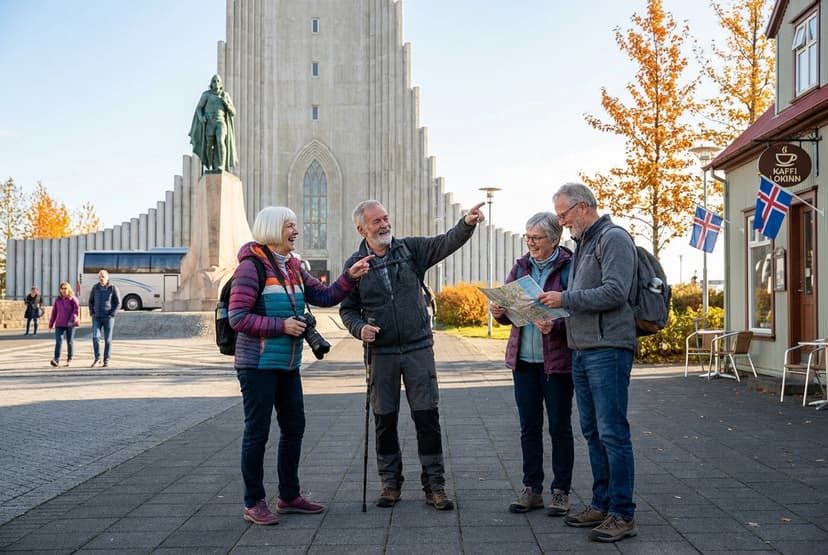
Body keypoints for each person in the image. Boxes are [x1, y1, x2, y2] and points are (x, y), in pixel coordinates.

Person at [229, 206, 373, 526]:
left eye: (295, 226)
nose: (296, 231)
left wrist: (349, 276)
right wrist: (281, 326)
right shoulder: (251, 268)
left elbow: (324, 295)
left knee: (294, 427)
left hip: (288, 363)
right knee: (257, 433)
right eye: (289, 226)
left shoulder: (293, 266)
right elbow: (237, 318)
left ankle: (289, 496)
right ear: (272, 229)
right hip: (258, 365)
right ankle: (254, 502)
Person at [339, 199, 485, 511]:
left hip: (418, 348)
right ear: (361, 228)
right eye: (376, 221)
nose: (384, 225)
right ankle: (390, 484)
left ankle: (435, 485)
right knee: (385, 420)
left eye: (385, 218)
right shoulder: (355, 265)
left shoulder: (409, 250)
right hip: (382, 353)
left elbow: (445, 242)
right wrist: (359, 328)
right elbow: (347, 308)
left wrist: (467, 223)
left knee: (426, 417)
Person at [537, 183, 638, 543]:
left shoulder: (613, 239)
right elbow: (582, 301)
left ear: (582, 207)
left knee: (613, 432)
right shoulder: (582, 244)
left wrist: (564, 297)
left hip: (608, 348)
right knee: (593, 432)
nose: (561, 222)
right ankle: (601, 503)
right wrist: (556, 318)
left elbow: (615, 291)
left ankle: (623, 513)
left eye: (563, 214)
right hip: (582, 348)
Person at [489, 212, 574, 517]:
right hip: (524, 361)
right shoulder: (520, 266)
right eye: (528, 237)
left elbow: (579, 311)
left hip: (557, 364)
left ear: (555, 238)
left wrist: (557, 327)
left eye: (537, 238)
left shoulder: (569, 268)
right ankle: (532, 488)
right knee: (529, 428)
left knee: (560, 428)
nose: (531, 243)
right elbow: (508, 312)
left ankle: (561, 491)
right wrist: (498, 310)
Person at [189, 74, 237, 172]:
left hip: (220, 121)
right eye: (214, 81)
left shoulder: (225, 95)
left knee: (220, 140)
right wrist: (201, 117)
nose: (216, 83)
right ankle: (210, 166)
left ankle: (221, 165)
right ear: (211, 84)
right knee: (209, 145)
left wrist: (226, 104)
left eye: (218, 81)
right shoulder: (206, 95)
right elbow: (199, 108)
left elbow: (233, 112)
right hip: (209, 122)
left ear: (221, 84)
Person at [88, 270, 120, 368]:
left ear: (107, 277)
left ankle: (106, 359)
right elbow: (91, 301)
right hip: (97, 317)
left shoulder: (113, 288)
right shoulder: (95, 288)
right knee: (95, 337)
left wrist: (112, 314)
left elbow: (118, 302)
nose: (101, 278)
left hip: (108, 317)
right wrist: (92, 313)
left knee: (108, 340)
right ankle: (97, 358)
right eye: (99, 276)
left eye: (103, 276)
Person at [48, 282, 80, 367]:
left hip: (70, 324)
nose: (64, 290)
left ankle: (69, 358)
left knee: (69, 342)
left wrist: (72, 318)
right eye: (62, 288)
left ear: (69, 289)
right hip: (59, 324)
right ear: (60, 290)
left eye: (65, 288)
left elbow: (76, 310)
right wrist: (51, 324)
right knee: (58, 341)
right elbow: (54, 312)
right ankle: (56, 360)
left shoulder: (73, 299)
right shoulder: (58, 300)